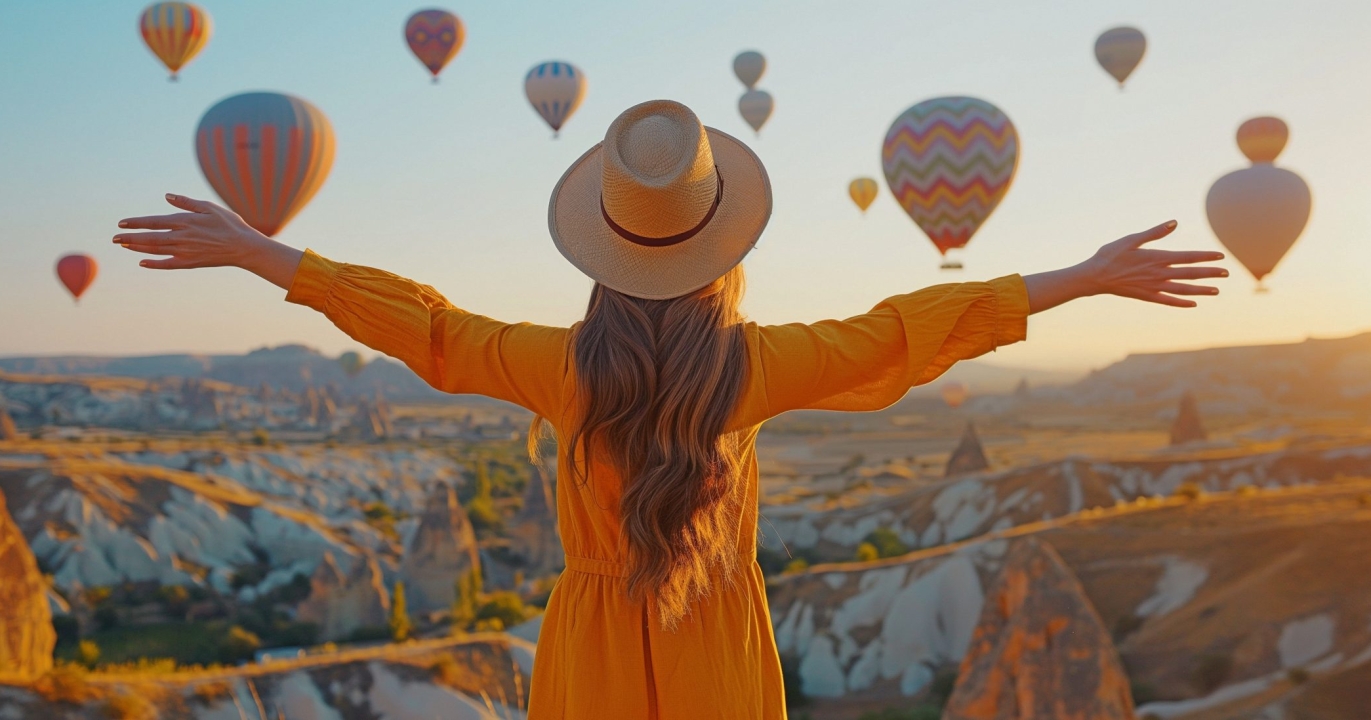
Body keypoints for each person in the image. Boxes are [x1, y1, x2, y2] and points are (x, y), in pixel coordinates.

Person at [113, 100, 1226, 719]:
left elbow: (430, 328)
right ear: (722, 250)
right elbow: (904, 328)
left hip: (590, 648)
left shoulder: (558, 366)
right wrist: (1078, 277)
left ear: (600, 254)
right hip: (717, 640)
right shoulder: (757, 367)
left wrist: (270, 256)